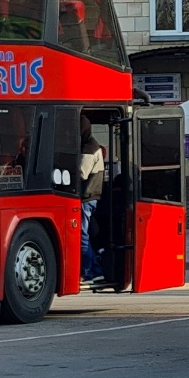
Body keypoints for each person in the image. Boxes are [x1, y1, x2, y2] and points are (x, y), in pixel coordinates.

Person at [79, 116, 104, 282]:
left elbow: (81, 173)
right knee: (85, 235)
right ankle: (96, 270)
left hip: (86, 197)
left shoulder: (89, 148)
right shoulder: (92, 145)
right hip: (91, 197)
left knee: (82, 237)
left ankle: (88, 271)